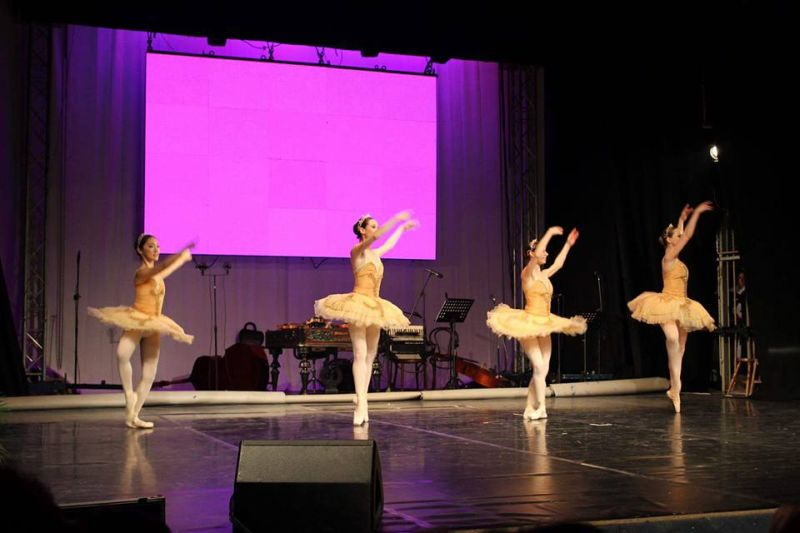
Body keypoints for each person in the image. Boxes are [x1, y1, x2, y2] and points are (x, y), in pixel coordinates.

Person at [315, 212, 417, 425]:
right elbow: (377, 237)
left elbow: (388, 244)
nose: (375, 229)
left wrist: (401, 229)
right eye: (372, 226)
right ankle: (360, 403)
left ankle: (363, 400)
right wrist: (395, 220)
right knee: (360, 353)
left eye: (376, 226)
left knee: (371, 356)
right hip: (358, 305)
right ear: (362, 230)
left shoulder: (376, 254)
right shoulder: (357, 251)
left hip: (375, 305)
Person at [89, 234, 194, 429]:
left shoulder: (157, 274)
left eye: (158, 246)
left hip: (154, 323)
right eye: (151, 246)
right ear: (140, 250)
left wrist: (183, 259)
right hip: (137, 320)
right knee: (122, 354)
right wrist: (180, 253)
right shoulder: (141, 273)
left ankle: (133, 416)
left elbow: (166, 270)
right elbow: (162, 267)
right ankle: (129, 394)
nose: (156, 250)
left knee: (149, 374)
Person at [487, 226, 586, 420]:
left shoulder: (544, 275)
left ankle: (529, 407)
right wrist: (550, 233)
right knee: (539, 367)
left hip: (545, 323)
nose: (546, 253)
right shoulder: (527, 273)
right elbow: (538, 253)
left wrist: (568, 244)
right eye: (542, 250)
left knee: (543, 369)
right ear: (531, 254)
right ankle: (541, 407)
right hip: (528, 323)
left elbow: (558, 264)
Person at [628, 202, 716, 413]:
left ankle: (674, 389)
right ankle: (677, 385)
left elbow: (682, 233)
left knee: (681, 349)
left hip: (682, 304)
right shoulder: (668, 257)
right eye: (676, 236)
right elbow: (687, 236)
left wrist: (681, 219)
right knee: (673, 339)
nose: (680, 237)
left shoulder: (675, 256)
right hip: (667, 303)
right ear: (669, 240)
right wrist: (697, 213)